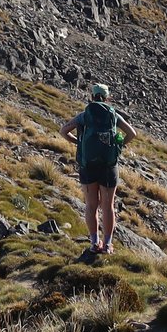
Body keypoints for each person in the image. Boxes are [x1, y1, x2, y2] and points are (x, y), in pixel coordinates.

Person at [61, 82, 134, 254]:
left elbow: (63, 131)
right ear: (108, 97)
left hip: (88, 165)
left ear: (92, 96)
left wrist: (78, 143)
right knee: (108, 206)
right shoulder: (113, 114)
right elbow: (133, 133)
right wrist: (119, 145)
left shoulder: (84, 115)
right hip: (109, 165)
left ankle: (94, 243)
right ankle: (107, 245)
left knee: (91, 205)